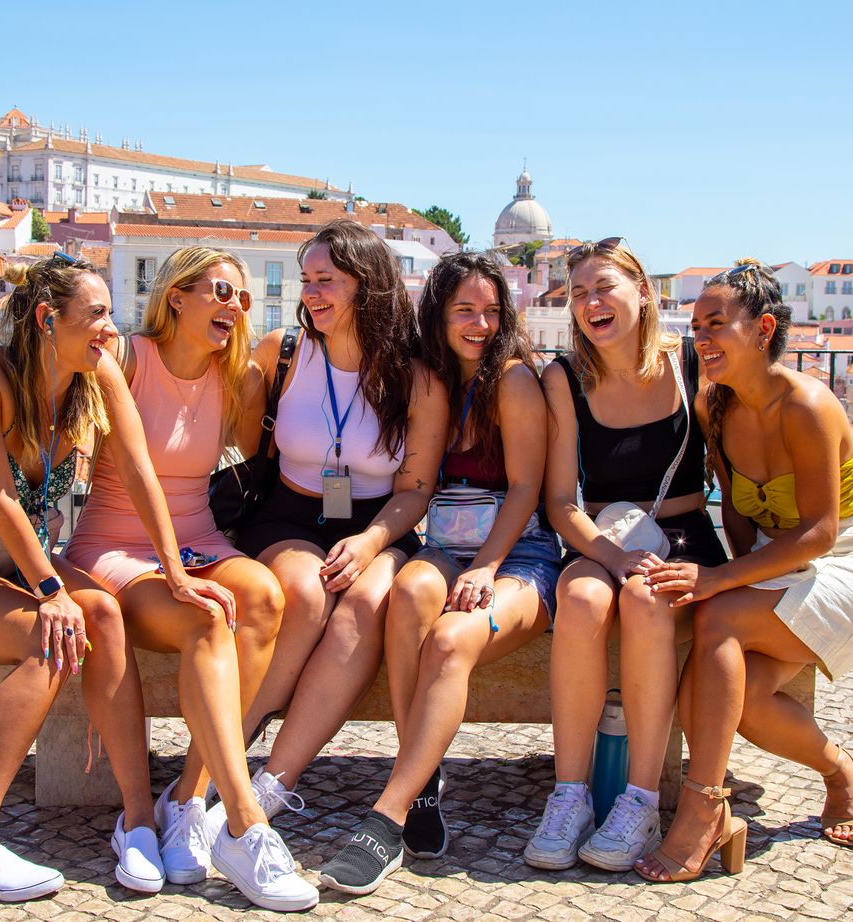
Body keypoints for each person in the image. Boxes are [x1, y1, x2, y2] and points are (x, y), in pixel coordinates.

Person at [0, 246, 315, 911]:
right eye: (98, 313)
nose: (109, 326)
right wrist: (49, 591)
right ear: (48, 318)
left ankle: (154, 814)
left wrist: (179, 572)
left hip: (45, 557)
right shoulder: (25, 369)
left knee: (170, 609)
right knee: (86, 629)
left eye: (110, 314)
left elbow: (139, 467)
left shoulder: (94, 372)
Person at [634, 259, 853, 882]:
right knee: (737, 698)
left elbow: (821, 532)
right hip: (784, 569)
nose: (701, 337)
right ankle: (840, 771)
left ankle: (704, 810)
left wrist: (722, 582)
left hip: (849, 565)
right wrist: (736, 572)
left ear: (763, 329)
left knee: (718, 613)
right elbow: (740, 518)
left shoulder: (807, 406)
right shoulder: (716, 407)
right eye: (696, 324)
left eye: (717, 323)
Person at [318, 251, 559, 894]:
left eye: (490, 310)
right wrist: (377, 542)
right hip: (445, 549)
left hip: (519, 556)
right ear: (439, 316)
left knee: (451, 639)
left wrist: (487, 566)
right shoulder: (431, 381)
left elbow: (527, 488)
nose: (480, 323)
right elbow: (419, 484)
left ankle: (387, 816)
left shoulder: (513, 381)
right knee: (408, 592)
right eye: (464, 311)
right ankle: (422, 777)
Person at [217, 219, 447, 837]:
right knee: (308, 592)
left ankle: (273, 783)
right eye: (308, 280)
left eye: (328, 281)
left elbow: (417, 488)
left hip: (381, 524)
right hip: (287, 513)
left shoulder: (417, 376)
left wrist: (372, 541)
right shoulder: (280, 352)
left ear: (367, 286)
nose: (312, 293)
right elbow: (218, 424)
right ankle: (229, 752)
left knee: (369, 602)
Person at [525, 237, 728, 873]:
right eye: (579, 292)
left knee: (646, 599)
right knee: (581, 598)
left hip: (685, 535)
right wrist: (609, 558)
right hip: (604, 537)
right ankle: (570, 794)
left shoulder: (691, 365)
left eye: (604, 288)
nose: (590, 303)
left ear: (642, 292)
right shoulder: (563, 378)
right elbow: (561, 503)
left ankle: (641, 800)